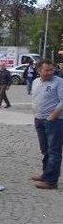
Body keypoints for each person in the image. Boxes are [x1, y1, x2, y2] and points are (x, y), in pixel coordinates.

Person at [30, 59, 63, 190]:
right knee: (45, 150)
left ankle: (51, 181)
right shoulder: (35, 82)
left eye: (52, 69)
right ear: (39, 71)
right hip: (39, 119)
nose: (50, 72)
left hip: (54, 121)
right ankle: (45, 174)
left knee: (54, 151)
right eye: (47, 70)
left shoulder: (59, 82)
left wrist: (54, 115)